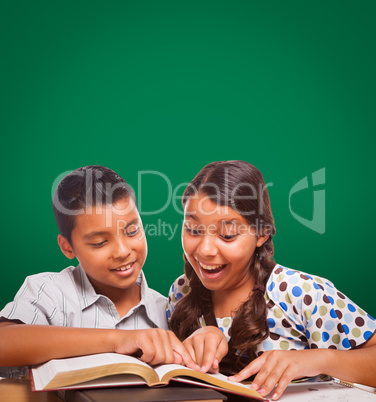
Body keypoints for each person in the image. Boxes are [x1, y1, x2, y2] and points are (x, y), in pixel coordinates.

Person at [167, 160, 376, 400]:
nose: (205, 250)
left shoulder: (300, 292)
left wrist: (318, 359)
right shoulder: (180, 291)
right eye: (193, 230)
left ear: (262, 233)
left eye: (227, 235)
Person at [0, 165, 198, 378]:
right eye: (100, 242)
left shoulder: (167, 310)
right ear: (67, 247)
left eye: (132, 231)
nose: (122, 252)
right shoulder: (49, 292)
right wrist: (117, 340)